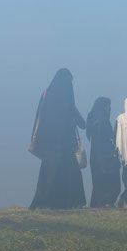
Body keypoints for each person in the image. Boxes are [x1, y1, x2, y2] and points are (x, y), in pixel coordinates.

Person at [29, 69, 86, 210]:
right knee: (69, 174)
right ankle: (71, 202)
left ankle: (45, 202)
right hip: (65, 144)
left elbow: (39, 118)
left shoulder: (47, 95)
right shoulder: (68, 98)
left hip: (49, 144)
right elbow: (80, 122)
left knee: (49, 175)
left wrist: (36, 138)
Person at [86, 97, 121, 208]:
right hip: (103, 156)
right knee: (111, 180)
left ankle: (98, 204)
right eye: (108, 106)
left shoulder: (92, 117)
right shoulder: (102, 119)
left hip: (95, 155)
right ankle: (105, 202)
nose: (109, 108)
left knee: (98, 182)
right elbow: (102, 139)